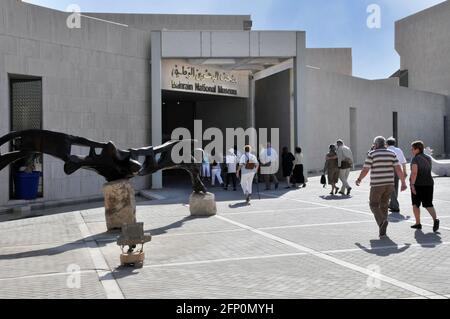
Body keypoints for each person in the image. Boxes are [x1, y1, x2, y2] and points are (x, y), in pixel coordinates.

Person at [356, 136, 407, 238]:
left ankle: (382, 222)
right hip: (389, 184)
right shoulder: (392, 154)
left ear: (376, 144)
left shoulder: (372, 154)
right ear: (384, 144)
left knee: (373, 204)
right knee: (384, 206)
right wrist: (403, 182)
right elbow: (398, 169)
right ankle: (382, 231)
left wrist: (359, 179)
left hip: (377, 185)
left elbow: (365, 169)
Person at [409, 141, 440, 232]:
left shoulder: (415, 159)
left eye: (412, 148)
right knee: (428, 204)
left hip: (418, 184)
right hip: (429, 183)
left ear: (417, 149)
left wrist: (412, 185)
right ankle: (435, 219)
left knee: (415, 204)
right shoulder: (428, 158)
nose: (411, 150)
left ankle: (418, 223)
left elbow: (414, 173)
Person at [386, 137, 408, 213]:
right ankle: (392, 204)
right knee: (395, 187)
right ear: (394, 143)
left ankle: (395, 205)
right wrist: (404, 172)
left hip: (389, 171)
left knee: (390, 188)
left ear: (387, 143)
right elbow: (403, 162)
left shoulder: (387, 150)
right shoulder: (399, 150)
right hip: (398, 170)